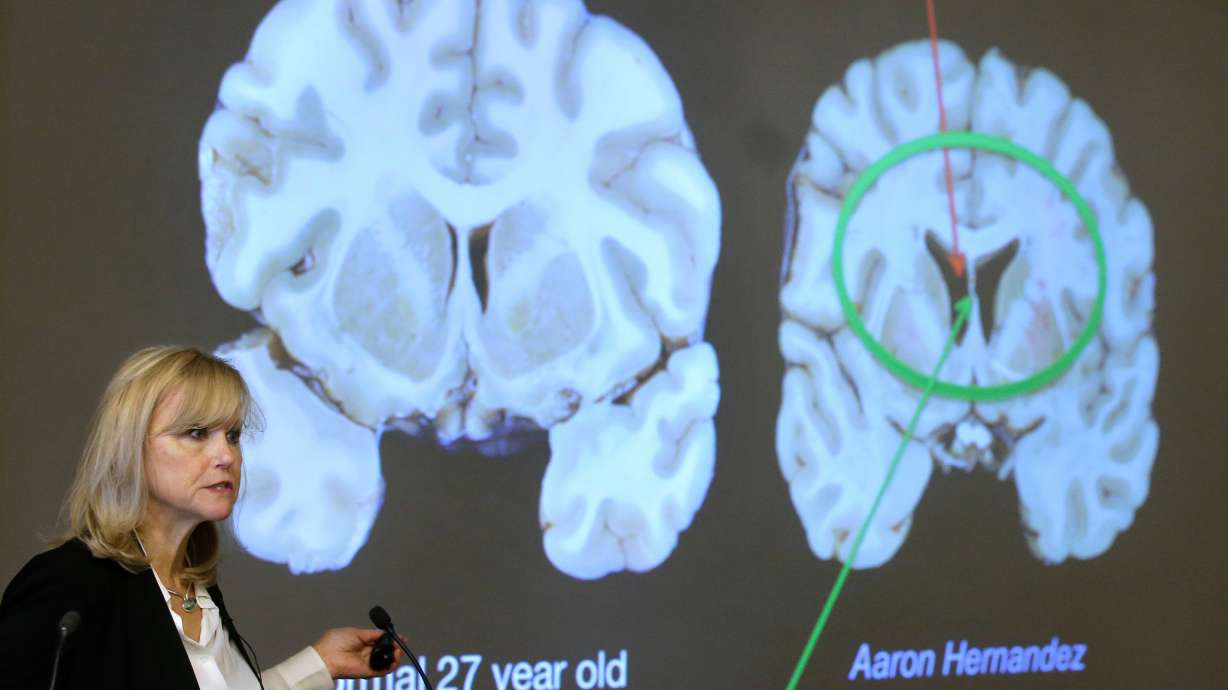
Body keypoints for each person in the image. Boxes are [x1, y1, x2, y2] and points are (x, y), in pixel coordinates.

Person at [0, 346, 404, 689]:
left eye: (233, 435)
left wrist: (321, 663)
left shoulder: (195, 587)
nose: (226, 456)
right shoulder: (67, 585)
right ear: (130, 448)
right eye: (196, 433)